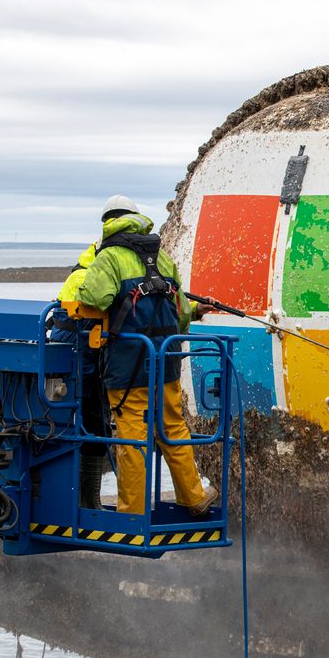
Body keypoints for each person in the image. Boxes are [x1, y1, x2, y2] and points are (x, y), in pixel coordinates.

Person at [78, 195, 217, 517]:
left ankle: (132, 511)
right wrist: (196, 312)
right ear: (138, 220)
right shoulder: (162, 257)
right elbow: (181, 313)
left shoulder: (110, 256)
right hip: (166, 357)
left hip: (128, 362)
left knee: (132, 436)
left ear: (107, 223)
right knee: (173, 426)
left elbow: (96, 299)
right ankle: (193, 497)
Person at [49, 241, 110, 509]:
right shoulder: (91, 279)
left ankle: (78, 499)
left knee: (75, 425)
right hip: (81, 360)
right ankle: (88, 502)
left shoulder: (79, 274)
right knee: (94, 425)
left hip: (69, 359)